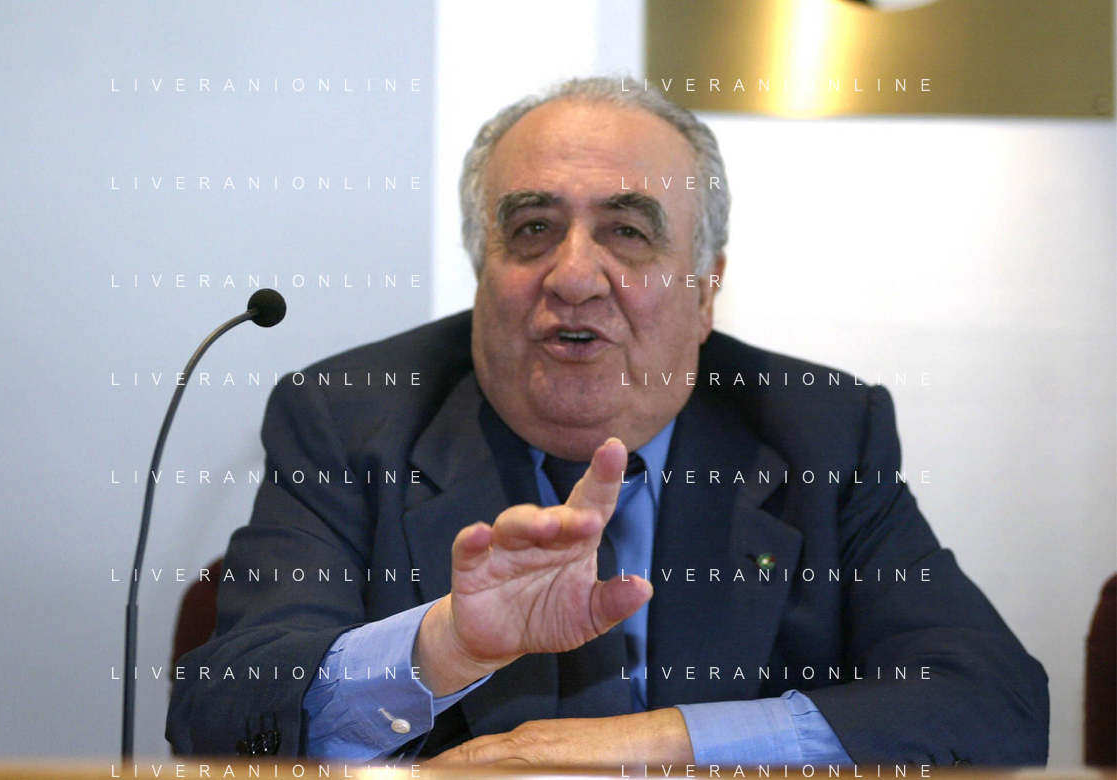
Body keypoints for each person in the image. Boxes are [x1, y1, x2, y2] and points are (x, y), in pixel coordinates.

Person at [166, 77, 1049, 767]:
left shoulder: (818, 431)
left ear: (704, 290)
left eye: (627, 231)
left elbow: (990, 701)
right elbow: (221, 712)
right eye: (532, 228)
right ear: (482, 272)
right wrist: (440, 649)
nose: (574, 276)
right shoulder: (349, 419)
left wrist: (657, 745)